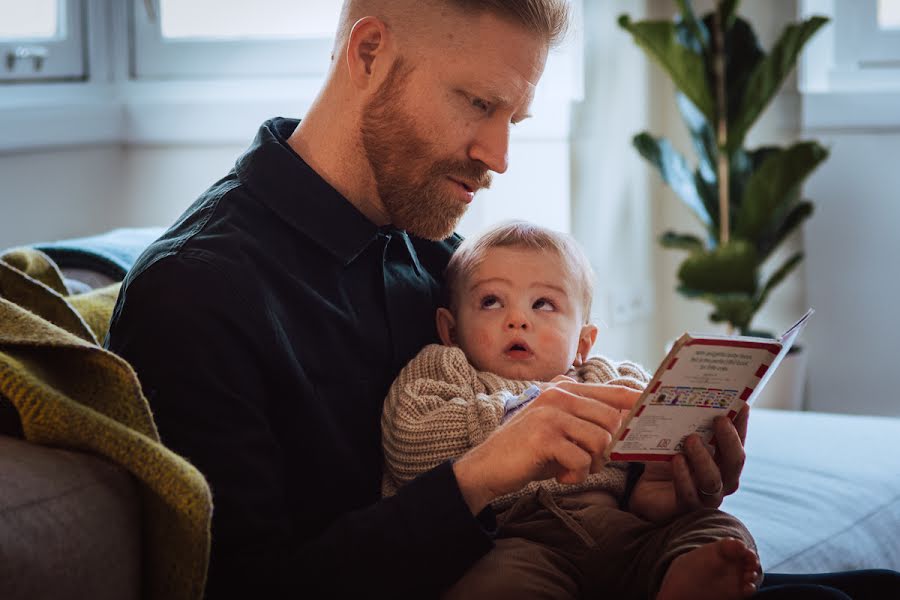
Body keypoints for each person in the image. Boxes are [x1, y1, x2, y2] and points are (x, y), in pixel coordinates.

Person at [104, 0, 900, 598]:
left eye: (514, 117)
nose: (500, 156)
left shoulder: (428, 248)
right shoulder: (195, 295)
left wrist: (649, 492)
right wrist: (480, 472)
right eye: (478, 104)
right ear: (370, 50)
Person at [382, 220, 762, 599]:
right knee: (493, 586)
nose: (518, 319)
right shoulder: (447, 369)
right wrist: (519, 416)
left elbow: (655, 440)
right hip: (511, 540)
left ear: (583, 341)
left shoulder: (607, 377)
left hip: (620, 530)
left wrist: (678, 458)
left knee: (717, 530)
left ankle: (685, 581)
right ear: (450, 329)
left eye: (543, 304)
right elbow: (408, 443)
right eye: (491, 301)